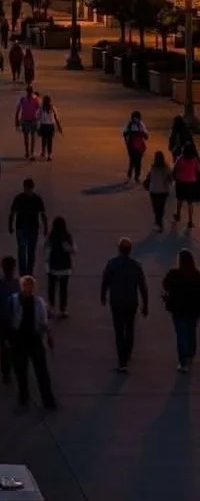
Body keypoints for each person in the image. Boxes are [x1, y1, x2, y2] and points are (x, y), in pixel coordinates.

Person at [100, 237, 148, 372]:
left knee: (119, 330)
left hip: (117, 301)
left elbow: (105, 281)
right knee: (130, 328)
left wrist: (103, 295)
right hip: (131, 302)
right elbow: (143, 287)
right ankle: (128, 352)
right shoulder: (136, 266)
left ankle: (122, 360)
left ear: (119, 250)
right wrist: (145, 304)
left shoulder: (112, 264)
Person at [9, 275, 56, 410]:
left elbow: (43, 321)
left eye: (30, 287)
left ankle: (48, 399)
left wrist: (49, 335)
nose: (28, 289)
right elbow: (10, 320)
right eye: (26, 286)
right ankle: (23, 397)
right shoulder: (14, 300)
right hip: (19, 338)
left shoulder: (38, 302)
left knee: (41, 371)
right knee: (21, 370)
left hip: (34, 338)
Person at [162, 249, 200, 372]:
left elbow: (165, 285)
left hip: (178, 309)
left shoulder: (174, 274)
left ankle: (183, 361)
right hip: (193, 309)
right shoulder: (197, 275)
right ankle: (190, 353)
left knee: (181, 334)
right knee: (191, 332)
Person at [0, 256, 20, 384]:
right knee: (11, 348)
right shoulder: (17, 285)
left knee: (6, 348)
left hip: (4, 321)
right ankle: (9, 370)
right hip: (10, 322)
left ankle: (6, 372)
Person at [8, 178, 48, 276]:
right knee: (24, 252)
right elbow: (12, 213)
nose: (27, 190)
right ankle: (25, 273)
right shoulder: (34, 199)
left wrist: (46, 227)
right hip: (24, 228)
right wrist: (10, 225)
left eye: (28, 188)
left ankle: (27, 272)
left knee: (29, 251)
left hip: (29, 228)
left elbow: (43, 214)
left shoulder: (21, 198)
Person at [45, 216, 76, 318]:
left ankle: (52, 307)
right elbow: (73, 250)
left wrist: (47, 263)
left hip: (53, 266)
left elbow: (47, 250)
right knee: (63, 289)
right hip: (65, 267)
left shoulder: (51, 237)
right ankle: (63, 309)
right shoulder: (67, 236)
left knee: (52, 288)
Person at [144, 150, 173, 231]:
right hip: (164, 191)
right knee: (160, 208)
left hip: (154, 191)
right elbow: (170, 178)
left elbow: (149, 177)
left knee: (156, 208)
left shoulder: (153, 167)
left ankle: (158, 223)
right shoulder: (166, 167)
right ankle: (159, 223)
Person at [172, 141, 200, 228]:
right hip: (191, 183)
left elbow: (175, 169)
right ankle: (190, 221)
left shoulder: (180, 159)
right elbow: (198, 171)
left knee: (179, 200)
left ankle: (178, 215)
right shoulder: (195, 160)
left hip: (181, 183)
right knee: (190, 202)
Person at [15, 86, 42, 161]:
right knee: (28, 137)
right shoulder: (25, 99)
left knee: (30, 137)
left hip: (31, 119)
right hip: (27, 120)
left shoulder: (31, 99)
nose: (30, 92)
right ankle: (28, 151)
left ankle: (30, 152)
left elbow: (38, 109)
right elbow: (18, 109)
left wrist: (17, 120)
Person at [123, 111, 148, 184]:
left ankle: (135, 176)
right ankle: (132, 177)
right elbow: (125, 133)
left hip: (137, 147)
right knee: (133, 162)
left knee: (137, 162)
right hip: (133, 147)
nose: (135, 119)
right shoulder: (132, 124)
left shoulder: (139, 125)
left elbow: (146, 135)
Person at [38, 94, 62, 160]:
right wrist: (59, 126)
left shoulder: (41, 108)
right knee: (49, 140)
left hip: (44, 125)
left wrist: (38, 125)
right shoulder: (52, 107)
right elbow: (56, 118)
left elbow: (38, 116)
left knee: (44, 139)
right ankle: (49, 154)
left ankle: (44, 151)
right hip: (50, 126)